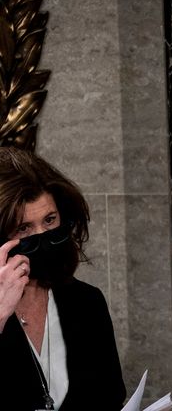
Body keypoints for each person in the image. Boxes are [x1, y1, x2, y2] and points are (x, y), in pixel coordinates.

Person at [0, 147, 126, 410]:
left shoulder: (86, 301)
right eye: (24, 228)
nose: (42, 236)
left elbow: (111, 396)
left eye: (50, 220)